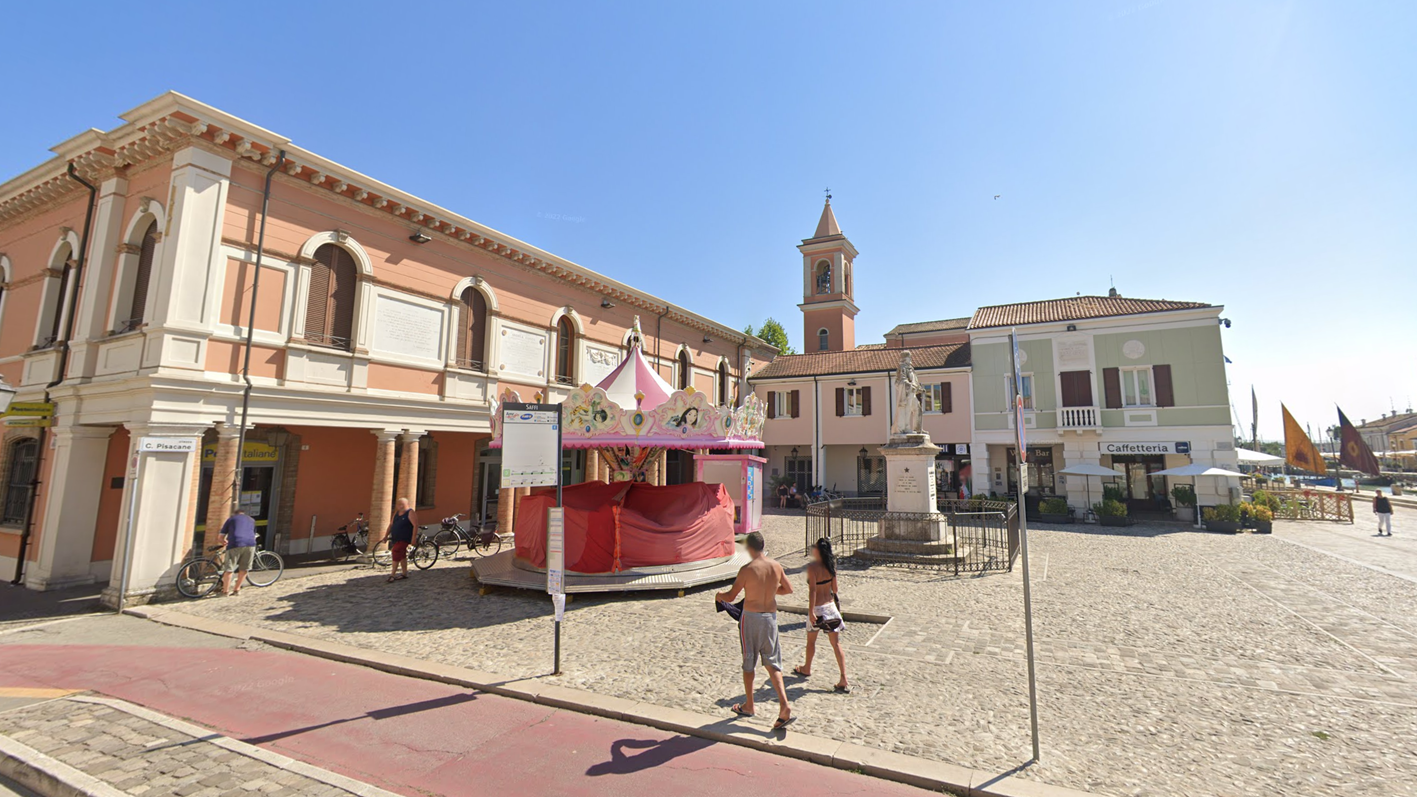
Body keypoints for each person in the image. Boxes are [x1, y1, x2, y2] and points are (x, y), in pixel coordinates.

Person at [716, 531, 795, 730]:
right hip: (770, 618)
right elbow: (788, 589)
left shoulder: (747, 569)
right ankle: (784, 705)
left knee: (749, 661)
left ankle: (749, 705)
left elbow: (731, 596)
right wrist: (770, 590)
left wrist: (719, 595)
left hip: (751, 618)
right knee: (772, 663)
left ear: (749, 548)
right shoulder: (776, 566)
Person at [792, 537, 849, 693]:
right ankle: (843, 677)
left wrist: (810, 611)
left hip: (818, 608)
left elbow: (812, 591)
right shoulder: (831, 567)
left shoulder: (812, 567)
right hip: (830, 608)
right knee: (836, 644)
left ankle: (807, 668)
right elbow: (835, 589)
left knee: (811, 641)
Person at [219, 509, 258, 597]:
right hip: (250, 544)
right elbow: (253, 533)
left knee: (229, 569)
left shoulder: (231, 519)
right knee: (244, 568)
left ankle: (225, 591)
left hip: (235, 543)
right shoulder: (251, 520)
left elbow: (221, 536)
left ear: (234, 514)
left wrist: (223, 542)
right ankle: (237, 590)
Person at [387, 497, 417, 582]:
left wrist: (413, 538)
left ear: (407, 504)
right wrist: (385, 536)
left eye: (402, 504)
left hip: (405, 538)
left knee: (395, 551)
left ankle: (392, 575)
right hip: (396, 538)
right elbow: (391, 524)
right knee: (402, 555)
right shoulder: (396, 513)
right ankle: (404, 573)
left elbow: (415, 525)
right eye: (399, 504)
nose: (400, 506)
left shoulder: (410, 512)